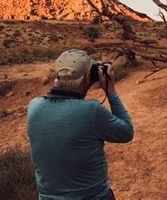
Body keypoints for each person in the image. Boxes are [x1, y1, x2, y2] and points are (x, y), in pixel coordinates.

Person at [27, 49, 134, 200]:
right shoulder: (91, 111)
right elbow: (126, 132)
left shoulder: (34, 106)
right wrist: (111, 92)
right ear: (87, 78)